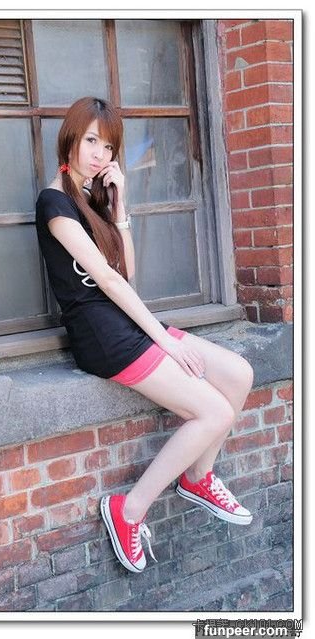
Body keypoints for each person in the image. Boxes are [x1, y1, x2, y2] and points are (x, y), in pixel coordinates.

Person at [35, 96, 254, 574]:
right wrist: (166, 340)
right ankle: (128, 510)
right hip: (103, 336)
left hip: (127, 323)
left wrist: (120, 206)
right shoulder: (54, 203)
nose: (99, 154)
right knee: (213, 411)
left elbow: (127, 271)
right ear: (70, 139)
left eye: (108, 146)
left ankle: (198, 477)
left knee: (238, 373)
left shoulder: (91, 200)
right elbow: (107, 282)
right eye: (91, 140)